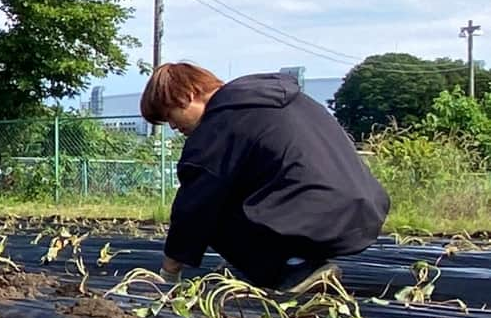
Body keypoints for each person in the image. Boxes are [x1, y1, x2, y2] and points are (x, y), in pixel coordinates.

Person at [141, 62, 391, 292]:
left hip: (316, 215)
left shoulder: (219, 124)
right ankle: (296, 260)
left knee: (211, 208)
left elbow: (193, 208)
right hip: (363, 213)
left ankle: (295, 269)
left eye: (169, 115)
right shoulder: (285, 100)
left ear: (187, 95)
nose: (173, 127)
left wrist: (169, 273)